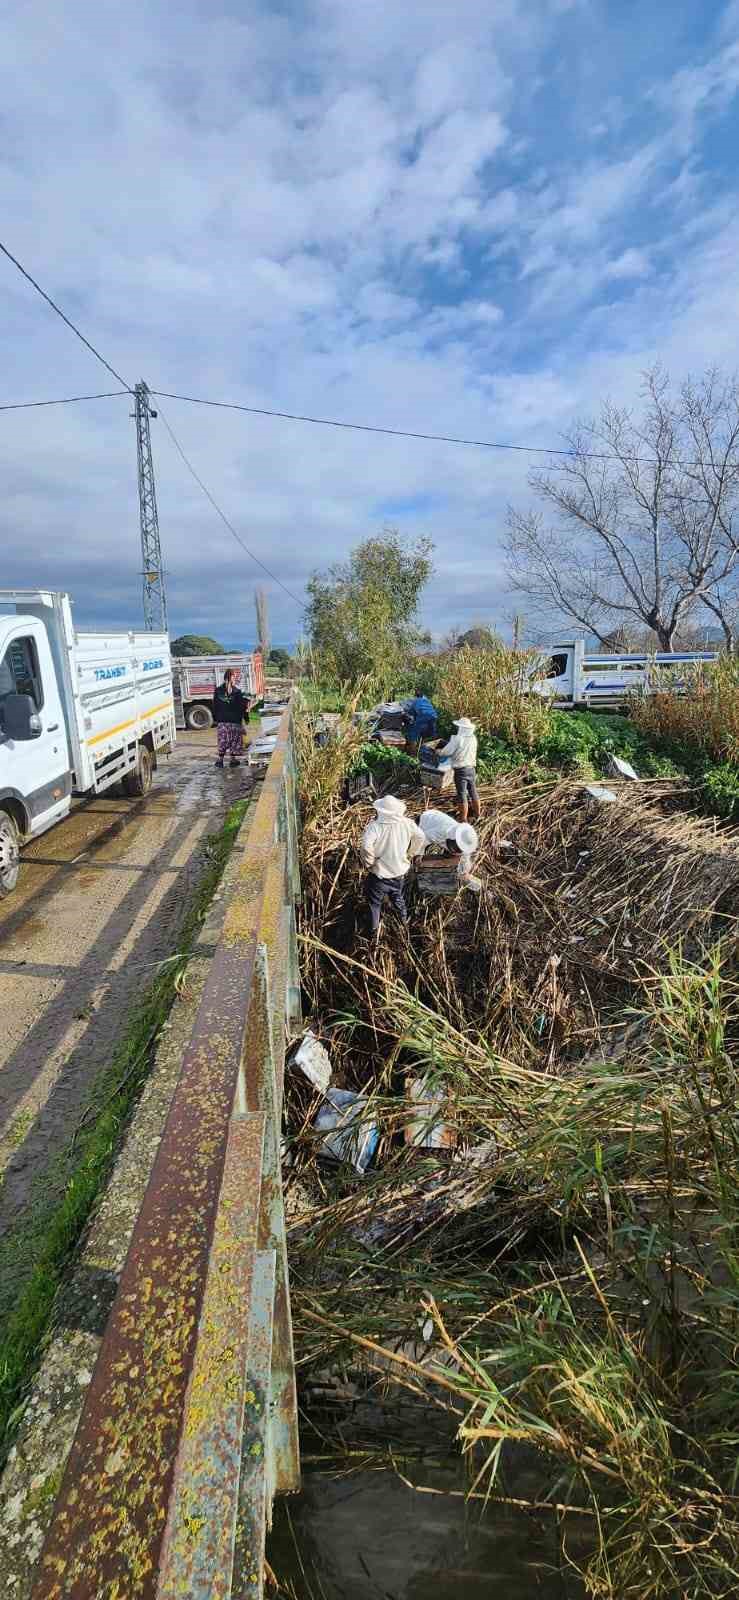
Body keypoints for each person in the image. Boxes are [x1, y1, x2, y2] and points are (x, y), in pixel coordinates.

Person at [359, 795, 427, 936]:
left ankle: (373, 932)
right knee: (397, 897)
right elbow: (420, 836)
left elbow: (366, 846)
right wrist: (410, 853)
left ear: (381, 811)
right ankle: (404, 923)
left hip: (379, 876)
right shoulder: (407, 823)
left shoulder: (375, 827)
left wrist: (369, 863)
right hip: (398, 874)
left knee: (374, 904)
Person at [438, 716, 480, 822]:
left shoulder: (457, 739)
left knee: (462, 795)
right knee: (473, 792)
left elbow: (446, 752)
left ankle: (463, 819)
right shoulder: (473, 738)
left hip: (461, 771)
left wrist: (438, 752)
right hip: (471, 769)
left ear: (461, 728)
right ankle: (477, 814)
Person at [212, 667, 246, 768]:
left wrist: (217, 719)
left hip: (222, 721)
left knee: (223, 740)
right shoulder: (237, 692)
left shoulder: (218, 690)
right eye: (235, 677)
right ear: (232, 677)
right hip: (234, 721)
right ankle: (232, 760)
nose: (235, 678)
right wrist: (243, 720)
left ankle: (220, 760)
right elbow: (241, 708)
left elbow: (215, 706)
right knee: (233, 740)